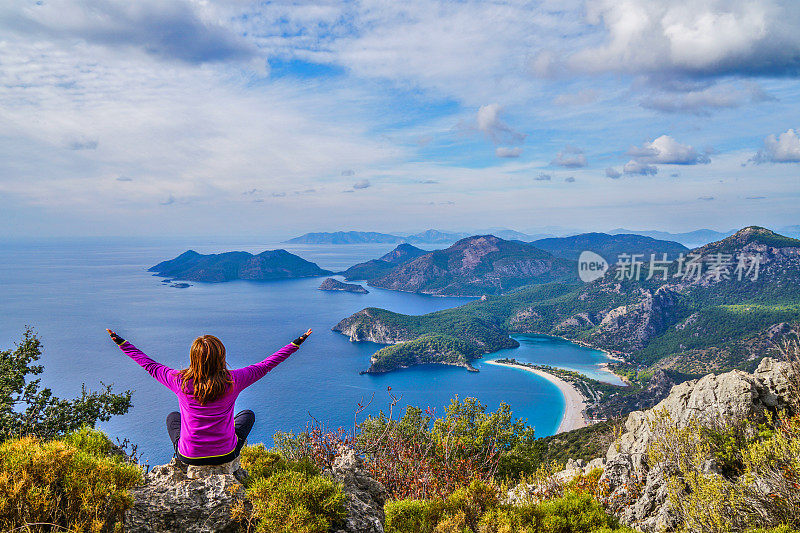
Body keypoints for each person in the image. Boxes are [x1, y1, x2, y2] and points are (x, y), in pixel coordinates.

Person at [106, 327, 311, 465]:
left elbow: (150, 365)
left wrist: (121, 342)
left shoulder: (180, 380)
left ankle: (181, 452)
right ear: (221, 357)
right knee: (247, 415)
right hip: (225, 454)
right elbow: (266, 365)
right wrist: (296, 343)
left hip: (189, 457)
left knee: (172, 418)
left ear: (193, 358)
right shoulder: (234, 380)